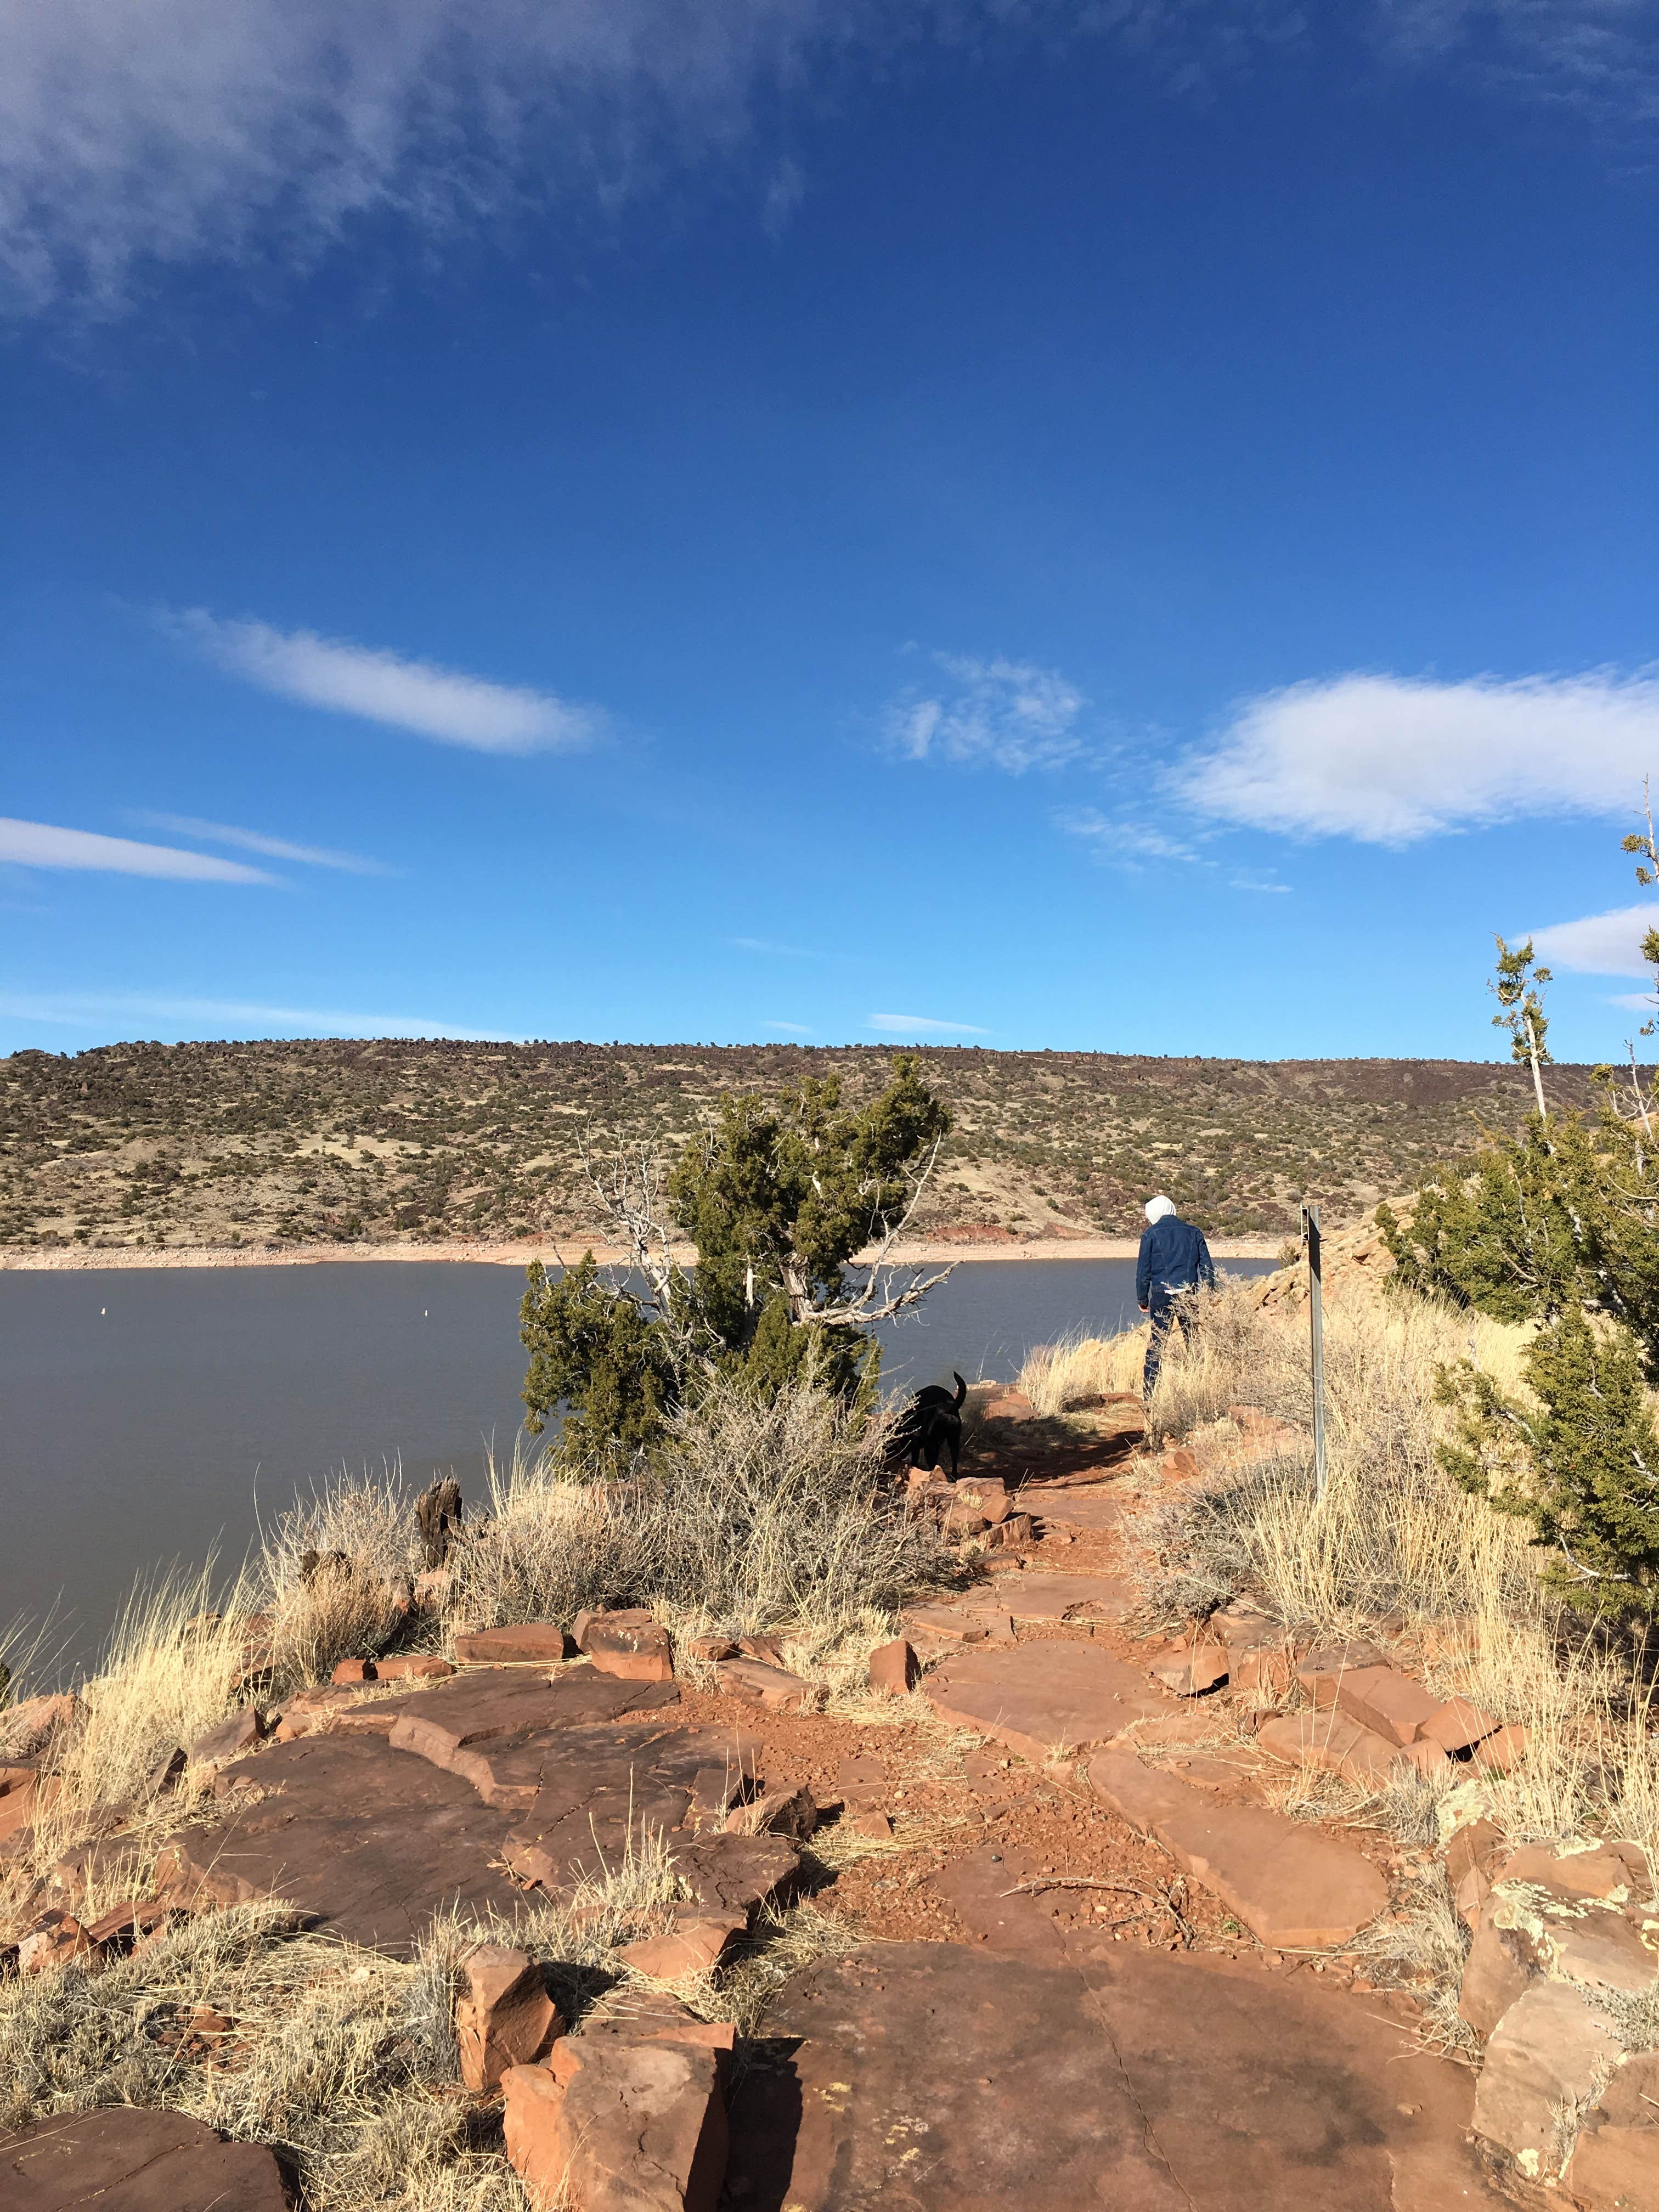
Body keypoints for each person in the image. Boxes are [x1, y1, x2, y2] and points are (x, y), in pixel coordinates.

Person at [1136, 1194, 1215, 1398]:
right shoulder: (1194, 1232)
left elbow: (1144, 1271)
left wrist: (1142, 1299)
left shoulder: (1150, 1234)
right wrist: (1208, 1293)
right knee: (1193, 1341)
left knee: (1157, 1344)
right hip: (1189, 1295)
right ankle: (1198, 1389)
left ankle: (1150, 1395)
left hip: (1162, 1296)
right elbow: (1207, 1267)